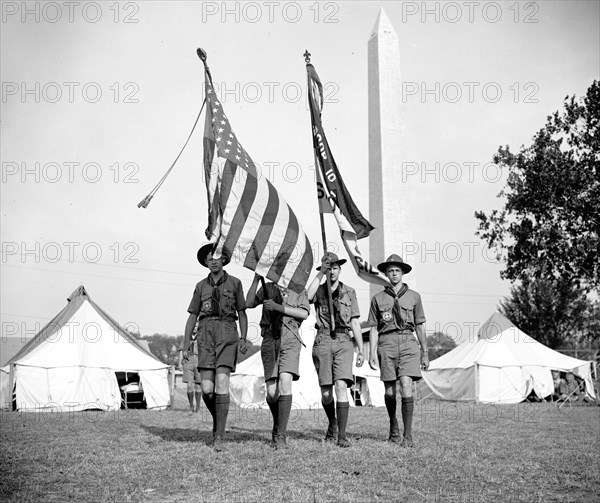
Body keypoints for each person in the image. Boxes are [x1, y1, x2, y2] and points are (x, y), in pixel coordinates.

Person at [182, 244, 249, 451]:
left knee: (222, 381)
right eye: (209, 258)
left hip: (228, 331)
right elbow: (193, 315)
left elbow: (242, 312)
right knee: (207, 389)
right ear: (206, 262)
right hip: (205, 334)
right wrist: (186, 343)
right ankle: (218, 422)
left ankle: (219, 436)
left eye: (216, 257)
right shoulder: (201, 286)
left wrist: (244, 337)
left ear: (224, 260)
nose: (212, 260)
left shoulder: (236, 283)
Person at [368, 254, 428, 447]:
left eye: (397, 270)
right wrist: (371, 353)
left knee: (406, 384)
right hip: (386, 342)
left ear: (403, 273)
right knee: (390, 391)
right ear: (386, 273)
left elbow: (420, 325)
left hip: (408, 341)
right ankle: (393, 426)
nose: (394, 274)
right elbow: (374, 328)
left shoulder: (414, 297)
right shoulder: (378, 298)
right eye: (390, 271)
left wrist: (425, 352)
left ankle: (407, 435)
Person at [307, 252, 365, 448]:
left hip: (343, 340)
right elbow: (308, 296)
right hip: (323, 338)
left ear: (340, 270)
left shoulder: (349, 292)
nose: (332, 271)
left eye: (334, 268)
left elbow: (355, 321)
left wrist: (361, 350)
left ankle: (341, 435)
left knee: (341, 386)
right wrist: (320, 273)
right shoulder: (319, 290)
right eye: (328, 268)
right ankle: (332, 423)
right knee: (326, 393)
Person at [246, 274, 310, 449]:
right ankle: (277, 425)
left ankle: (281, 435)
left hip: (290, 339)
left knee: (285, 382)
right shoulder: (268, 287)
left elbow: (304, 313)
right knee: (272, 393)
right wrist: (254, 279)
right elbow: (249, 302)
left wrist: (278, 307)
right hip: (269, 339)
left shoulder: (298, 288)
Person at [179, 319, 202, 413]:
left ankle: (198, 407)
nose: (195, 327)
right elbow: (181, 350)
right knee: (189, 385)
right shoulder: (186, 337)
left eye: (197, 326)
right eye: (194, 325)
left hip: (198, 361)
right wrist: (180, 364)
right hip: (188, 361)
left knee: (198, 386)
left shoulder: (201, 336)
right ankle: (191, 406)